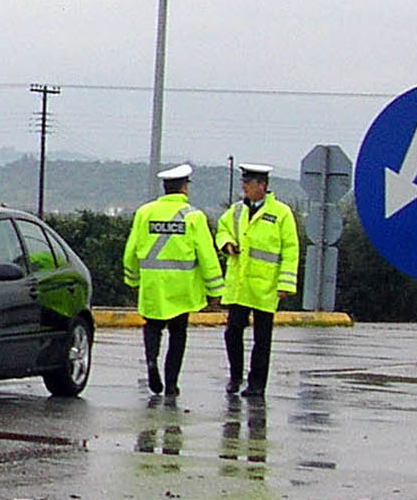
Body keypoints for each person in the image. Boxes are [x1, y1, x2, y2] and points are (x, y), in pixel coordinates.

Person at [121, 163, 224, 399]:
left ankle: (150, 362)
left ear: (165, 188)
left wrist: (133, 279)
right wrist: (215, 290)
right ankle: (171, 383)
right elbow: (207, 255)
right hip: (181, 288)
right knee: (178, 335)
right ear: (184, 189)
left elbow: (131, 250)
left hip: (152, 285)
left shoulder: (144, 213)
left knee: (153, 326)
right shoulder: (194, 217)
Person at [215, 163, 300, 397]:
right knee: (233, 332)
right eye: (243, 182)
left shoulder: (280, 213)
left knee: (262, 338)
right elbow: (222, 230)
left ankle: (257, 383)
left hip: (266, 285)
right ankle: (235, 375)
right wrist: (226, 243)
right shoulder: (236, 211)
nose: (244, 187)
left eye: (248, 183)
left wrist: (286, 284)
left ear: (262, 186)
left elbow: (291, 250)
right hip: (239, 284)